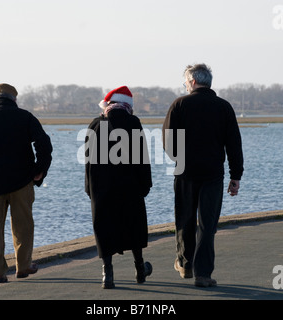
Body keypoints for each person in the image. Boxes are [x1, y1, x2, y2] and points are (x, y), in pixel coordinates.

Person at [162, 64, 244, 287]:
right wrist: (235, 175)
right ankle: (203, 274)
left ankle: (186, 263)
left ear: (193, 82)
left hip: (185, 173)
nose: (185, 86)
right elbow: (234, 144)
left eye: (186, 82)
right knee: (208, 225)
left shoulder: (179, 105)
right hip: (213, 174)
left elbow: (168, 143)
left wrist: (179, 158)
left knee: (184, 220)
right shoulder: (224, 107)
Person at [0, 83, 53, 283]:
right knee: (23, 227)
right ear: (14, 99)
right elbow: (44, 144)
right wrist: (39, 170)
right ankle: (23, 267)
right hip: (22, 181)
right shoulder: (25, 117)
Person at [85, 86, 153, 289]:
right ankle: (140, 268)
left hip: (101, 189)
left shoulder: (96, 125)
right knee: (134, 227)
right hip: (130, 188)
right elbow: (143, 159)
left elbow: (88, 163)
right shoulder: (133, 123)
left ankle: (108, 274)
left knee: (104, 228)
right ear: (127, 106)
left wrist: (90, 189)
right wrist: (145, 185)